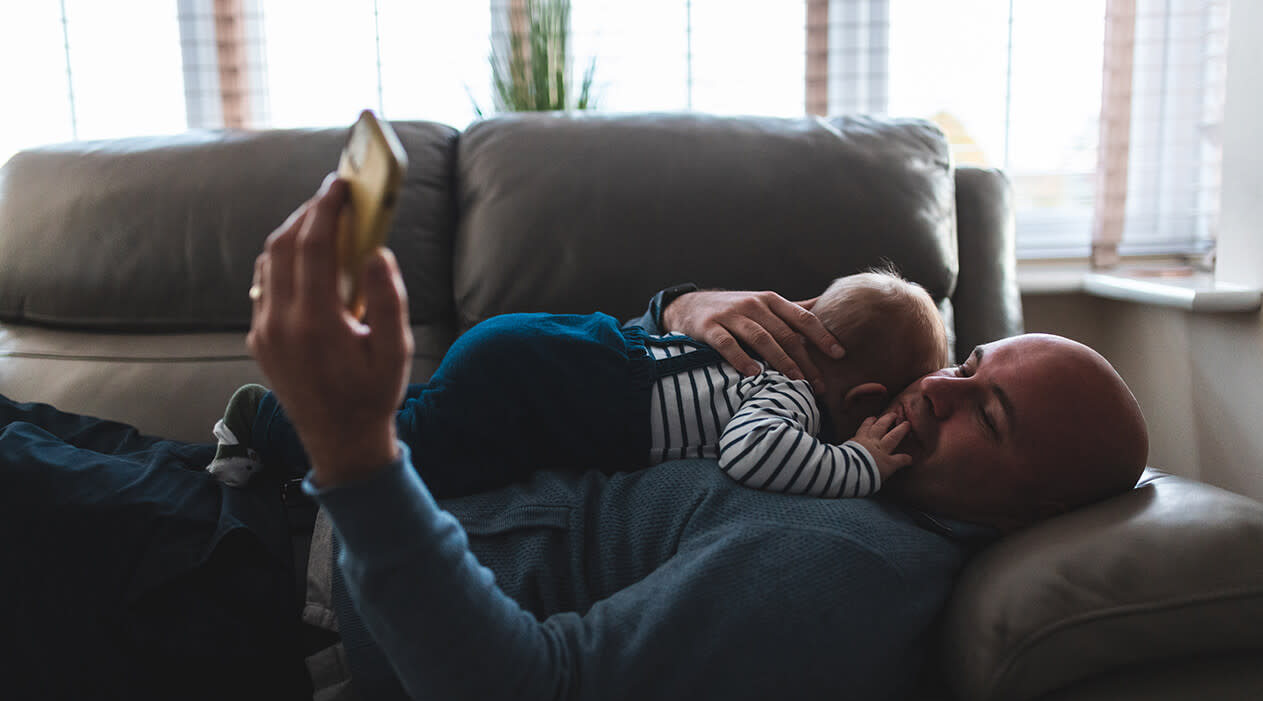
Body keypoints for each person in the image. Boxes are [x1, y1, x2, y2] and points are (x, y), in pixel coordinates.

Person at [0, 176, 1148, 701]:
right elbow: (632, 389)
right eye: (970, 361)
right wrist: (684, 309)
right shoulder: (856, 461)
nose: (937, 389)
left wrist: (358, 453)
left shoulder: (845, 566)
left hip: (250, 603)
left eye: (982, 414)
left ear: (1030, 513)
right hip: (250, 501)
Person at [206, 269, 949, 501]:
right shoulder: (782, 392)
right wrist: (863, 464)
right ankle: (267, 419)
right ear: (862, 403)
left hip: (555, 348)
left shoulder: (751, 353)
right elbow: (753, 458)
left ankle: (300, 410)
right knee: (418, 456)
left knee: (422, 416)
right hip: (553, 389)